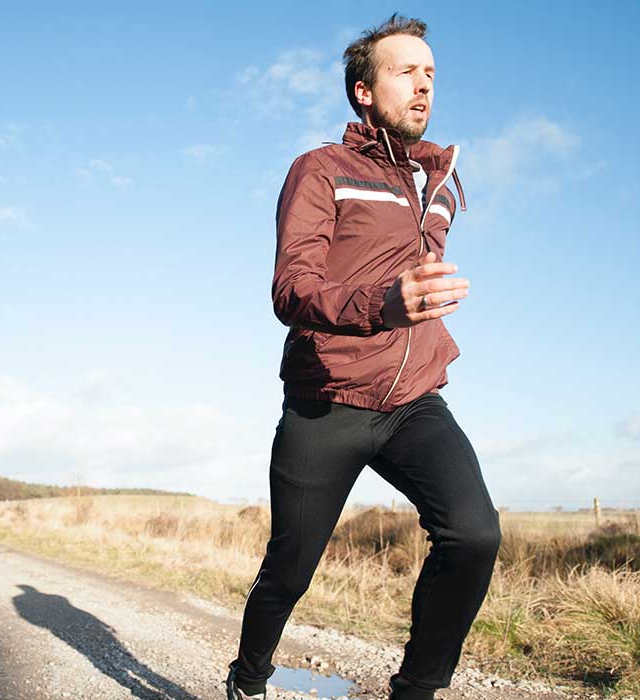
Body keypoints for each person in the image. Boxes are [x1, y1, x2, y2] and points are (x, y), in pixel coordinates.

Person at [224, 14, 502, 700]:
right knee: (290, 569)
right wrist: (384, 302)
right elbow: (293, 289)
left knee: (474, 535)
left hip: (413, 402)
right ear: (362, 91)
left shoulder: (437, 189)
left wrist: (415, 309)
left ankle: (414, 692)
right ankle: (248, 679)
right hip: (329, 398)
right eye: (406, 71)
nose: (424, 84)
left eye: (431, 73)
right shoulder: (322, 170)